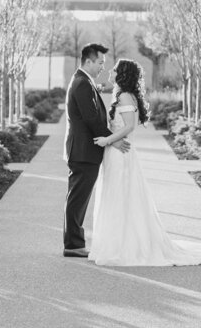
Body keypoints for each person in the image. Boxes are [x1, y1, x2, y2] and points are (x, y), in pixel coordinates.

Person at [89, 58, 201, 266]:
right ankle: (116, 242)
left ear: (122, 74)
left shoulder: (124, 95)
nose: (110, 72)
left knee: (119, 195)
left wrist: (108, 140)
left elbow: (129, 127)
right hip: (117, 151)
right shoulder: (123, 94)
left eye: (114, 70)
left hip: (120, 153)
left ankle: (121, 246)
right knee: (118, 196)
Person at [63, 43, 130, 257]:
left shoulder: (84, 81)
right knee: (77, 198)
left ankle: (74, 243)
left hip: (84, 151)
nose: (103, 67)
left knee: (79, 198)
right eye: (100, 62)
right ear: (89, 61)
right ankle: (73, 245)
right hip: (83, 151)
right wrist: (113, 140)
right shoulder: (82, 83)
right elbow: (91, 118)